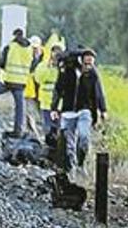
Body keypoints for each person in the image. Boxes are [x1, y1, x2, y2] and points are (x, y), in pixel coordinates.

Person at [50, 48, 108, 177]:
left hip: (84, 111)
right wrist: (54, 108)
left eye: (91, 63)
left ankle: (81, 164)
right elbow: (58, 89)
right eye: (86, 63)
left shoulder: (92, 75)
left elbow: (98, 93)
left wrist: (103, 110)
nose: (89, 66)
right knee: (68, 143)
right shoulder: (67, 72)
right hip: (67, 111)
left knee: (84, 137)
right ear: (80, 61)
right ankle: (72, 168)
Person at [33, 43, 63, 135]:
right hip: (46, 103)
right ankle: (49, 146)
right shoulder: (43, 65)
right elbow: (38, 79)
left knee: (59, 129)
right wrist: (49, 68)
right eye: (54, 53)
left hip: (59, 105)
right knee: (48, 128)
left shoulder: (64, 67)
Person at [23, 36, 44, 138]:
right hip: (30, 90)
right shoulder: (26, 56)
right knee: (29, 112)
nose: (34, 50)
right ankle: (33, 134)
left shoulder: (46, 56)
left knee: (43, 112)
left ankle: (44, 133)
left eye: (36, 48)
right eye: (32, 48)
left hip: (42, 90)